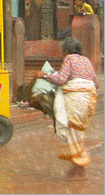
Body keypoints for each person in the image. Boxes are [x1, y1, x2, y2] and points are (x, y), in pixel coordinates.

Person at [36, 37, 98, 180]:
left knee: (73, 132)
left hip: (76, 99)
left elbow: (61, 79)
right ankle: (75, 168)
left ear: (67, 50)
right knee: (77, 131)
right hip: (89, 100)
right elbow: (95, 82)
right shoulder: (86, 60)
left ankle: (80, 168)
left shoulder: (69, 59)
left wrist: (46, 75)